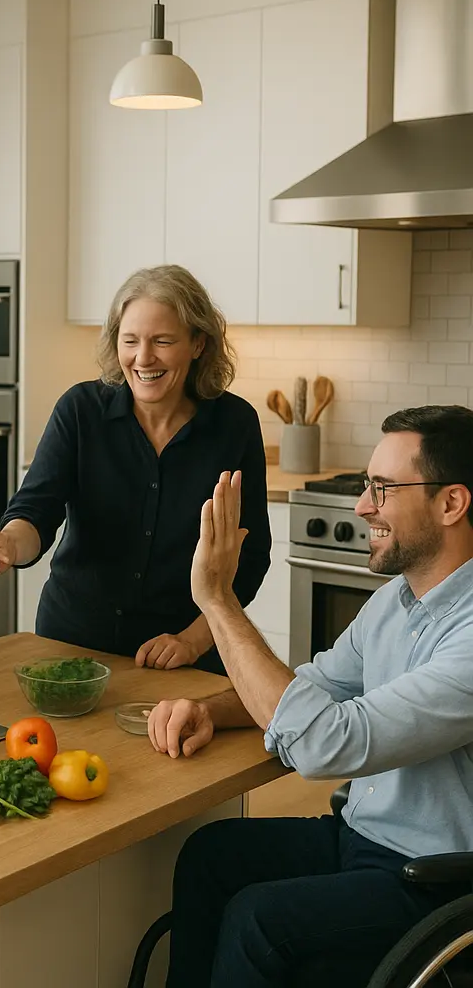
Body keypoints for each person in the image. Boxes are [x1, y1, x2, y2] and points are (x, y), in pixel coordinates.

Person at [151, 405, 473, 987]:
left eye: (382, 487)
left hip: (438, 881)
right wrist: (211, 710)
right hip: (364, 837)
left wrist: (218, 602)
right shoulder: (395, 600)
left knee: (260, 920)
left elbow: (326, 744)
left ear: (451, 503)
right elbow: (318, 685)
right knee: (210, 856)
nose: (361, 505)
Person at [0, 264, 270, 672]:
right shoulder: (80, 411)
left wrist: (192, 641)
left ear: (198, 344)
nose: (143, 358)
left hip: (183, 654)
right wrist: (9, 542)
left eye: (162, 341)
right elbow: (36, 509)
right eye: (130, 341)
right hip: (72, 641)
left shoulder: (234, 425)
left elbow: (250, 556)